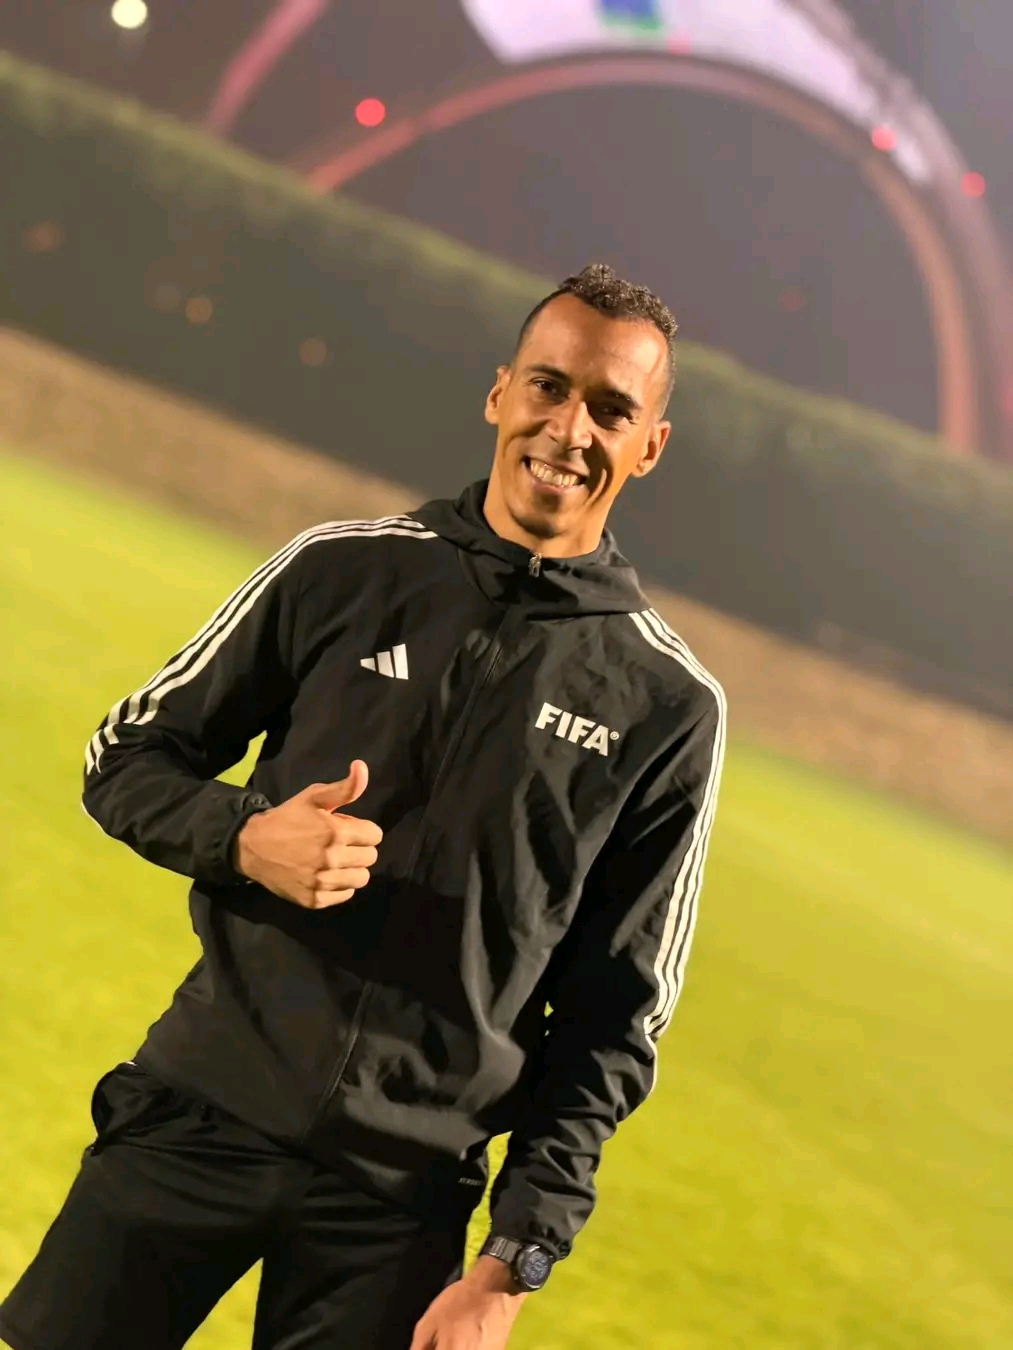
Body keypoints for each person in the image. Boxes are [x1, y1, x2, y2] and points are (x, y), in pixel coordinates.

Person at [0, 263, 725, 1350]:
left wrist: (514, 1259)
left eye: (610, 410)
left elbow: (614, 1017)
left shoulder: (665, 703)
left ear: (648, 445)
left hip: (398, 1204)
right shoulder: (340, 571)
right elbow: (126, 756)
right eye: (547, 386)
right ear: (500, 393)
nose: (569, 430)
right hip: (199, 1112)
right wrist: (246, 837)